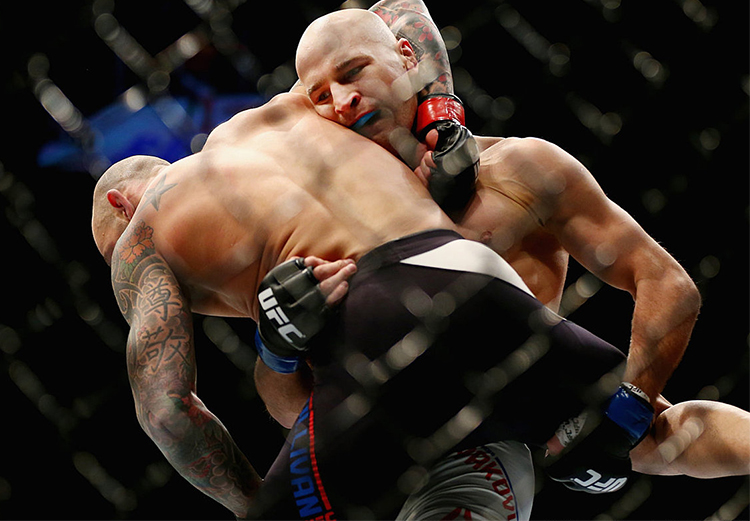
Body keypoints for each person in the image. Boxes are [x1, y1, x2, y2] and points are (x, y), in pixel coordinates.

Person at [92, 90, 646, 519]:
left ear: (121, 204)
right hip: (478, 283)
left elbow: (166, 412)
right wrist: (440, 115)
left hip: (378, 326)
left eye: (110, 249)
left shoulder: (145, 237)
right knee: (658, 433)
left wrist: (259, 507)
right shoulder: (297, 110)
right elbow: (399, 15)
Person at [290, 0, 750, 480]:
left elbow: (666, 282)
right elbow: (296, 405)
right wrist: (275, 350)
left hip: (530, 419)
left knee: (662, 434)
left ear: (408, 58)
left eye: (354, 72)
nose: (343, 101)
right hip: (399, 448)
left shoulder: (517, 170)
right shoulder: (321, 223)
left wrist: (628, 408)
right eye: (320, 96)